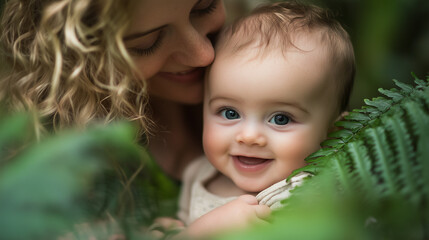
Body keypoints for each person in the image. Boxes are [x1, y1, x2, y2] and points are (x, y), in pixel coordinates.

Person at [177, 1, 356, 237]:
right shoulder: (199, 175)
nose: (249, 136)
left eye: (281, 119)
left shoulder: (312, 198)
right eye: (230, 113)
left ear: (335, 133)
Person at [0, 0, 225, 180]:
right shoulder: (58, 171)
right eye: (147, 43)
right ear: (78, 54)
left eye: (205, 7)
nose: (204, 55)